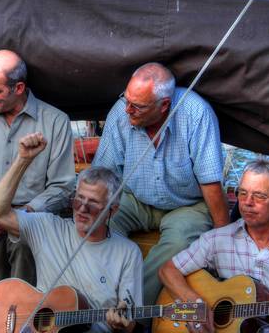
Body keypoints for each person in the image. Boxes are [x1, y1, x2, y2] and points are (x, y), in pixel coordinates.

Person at [92, 62, 228, 305]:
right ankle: (95, 299)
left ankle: (131, 312)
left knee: (177, 243)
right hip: (133, 197)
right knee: (98, 221)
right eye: (127, 100)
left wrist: (224, 242)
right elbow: (103, 172)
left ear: (164, 105)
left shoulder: (197, 114)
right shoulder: (120, 112)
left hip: (187, 205)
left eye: (138, 106)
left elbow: (211, 183)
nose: (128, 110)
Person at [0, 132, 143, 333]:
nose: (82, 209)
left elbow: (129, 323)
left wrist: (121, 323)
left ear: (112, 210)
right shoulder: (47, 227)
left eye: (93, 203)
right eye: (78, 199)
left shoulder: (128, 252)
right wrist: (23, 160)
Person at [0, 50, 75, 301]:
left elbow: (63, 187)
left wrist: (21, 216)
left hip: (31, 228)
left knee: (24, 303)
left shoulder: (55, 122)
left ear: (18, 87)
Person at [159, 159, 269, 332]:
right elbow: (168, 270)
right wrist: (195, 303)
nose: (247, 202)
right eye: (242, 193)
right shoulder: (218, 239)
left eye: (259, 195)